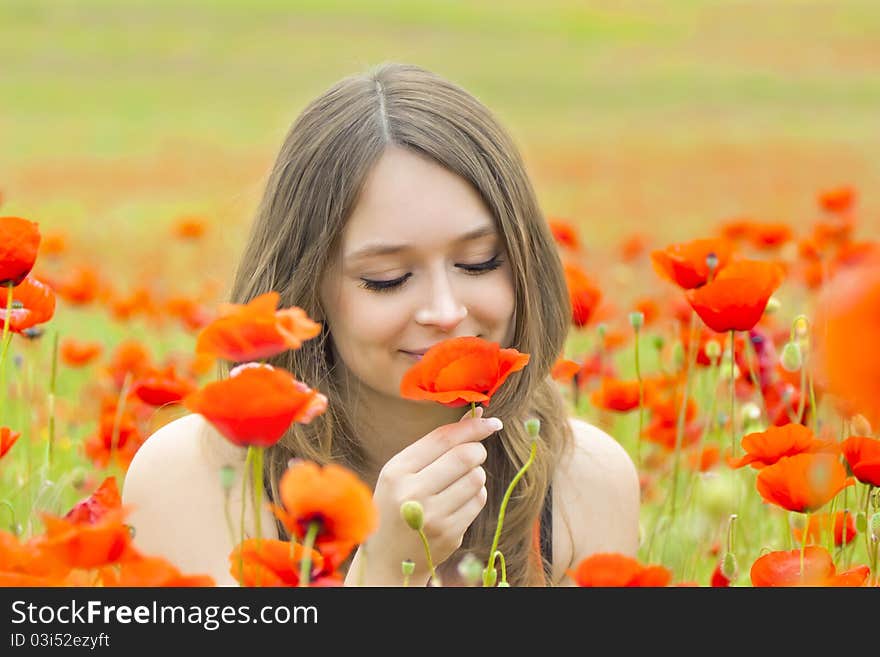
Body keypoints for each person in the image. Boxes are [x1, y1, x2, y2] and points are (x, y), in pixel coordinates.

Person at [122, 62, 640, 587]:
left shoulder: (584, 481)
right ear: (307, 289)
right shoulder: (197, 477)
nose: (445, 311)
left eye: (480, 262)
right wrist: (387, 571)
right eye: (387, 278)